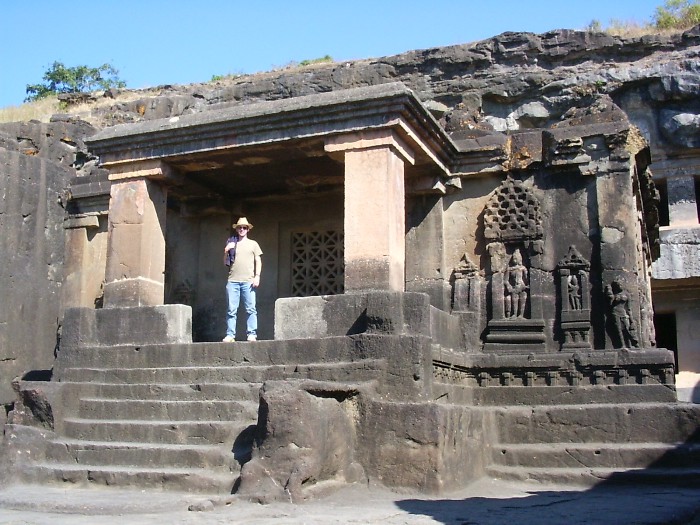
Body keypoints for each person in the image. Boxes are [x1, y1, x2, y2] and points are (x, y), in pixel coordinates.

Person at [223, 217, 262, 342]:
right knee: (231, 309)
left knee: (251, 308)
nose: (242, 229)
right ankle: (230, 334)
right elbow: (225, 263)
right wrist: (226, 250)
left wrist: (257, 276)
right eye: (239, 227)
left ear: (248, 229)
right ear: (236, 229)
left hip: (248, 281)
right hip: (233, 281)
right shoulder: (232, 243)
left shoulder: (253, 244)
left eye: (244, 227)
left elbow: (258, 260)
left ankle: (251, 333)